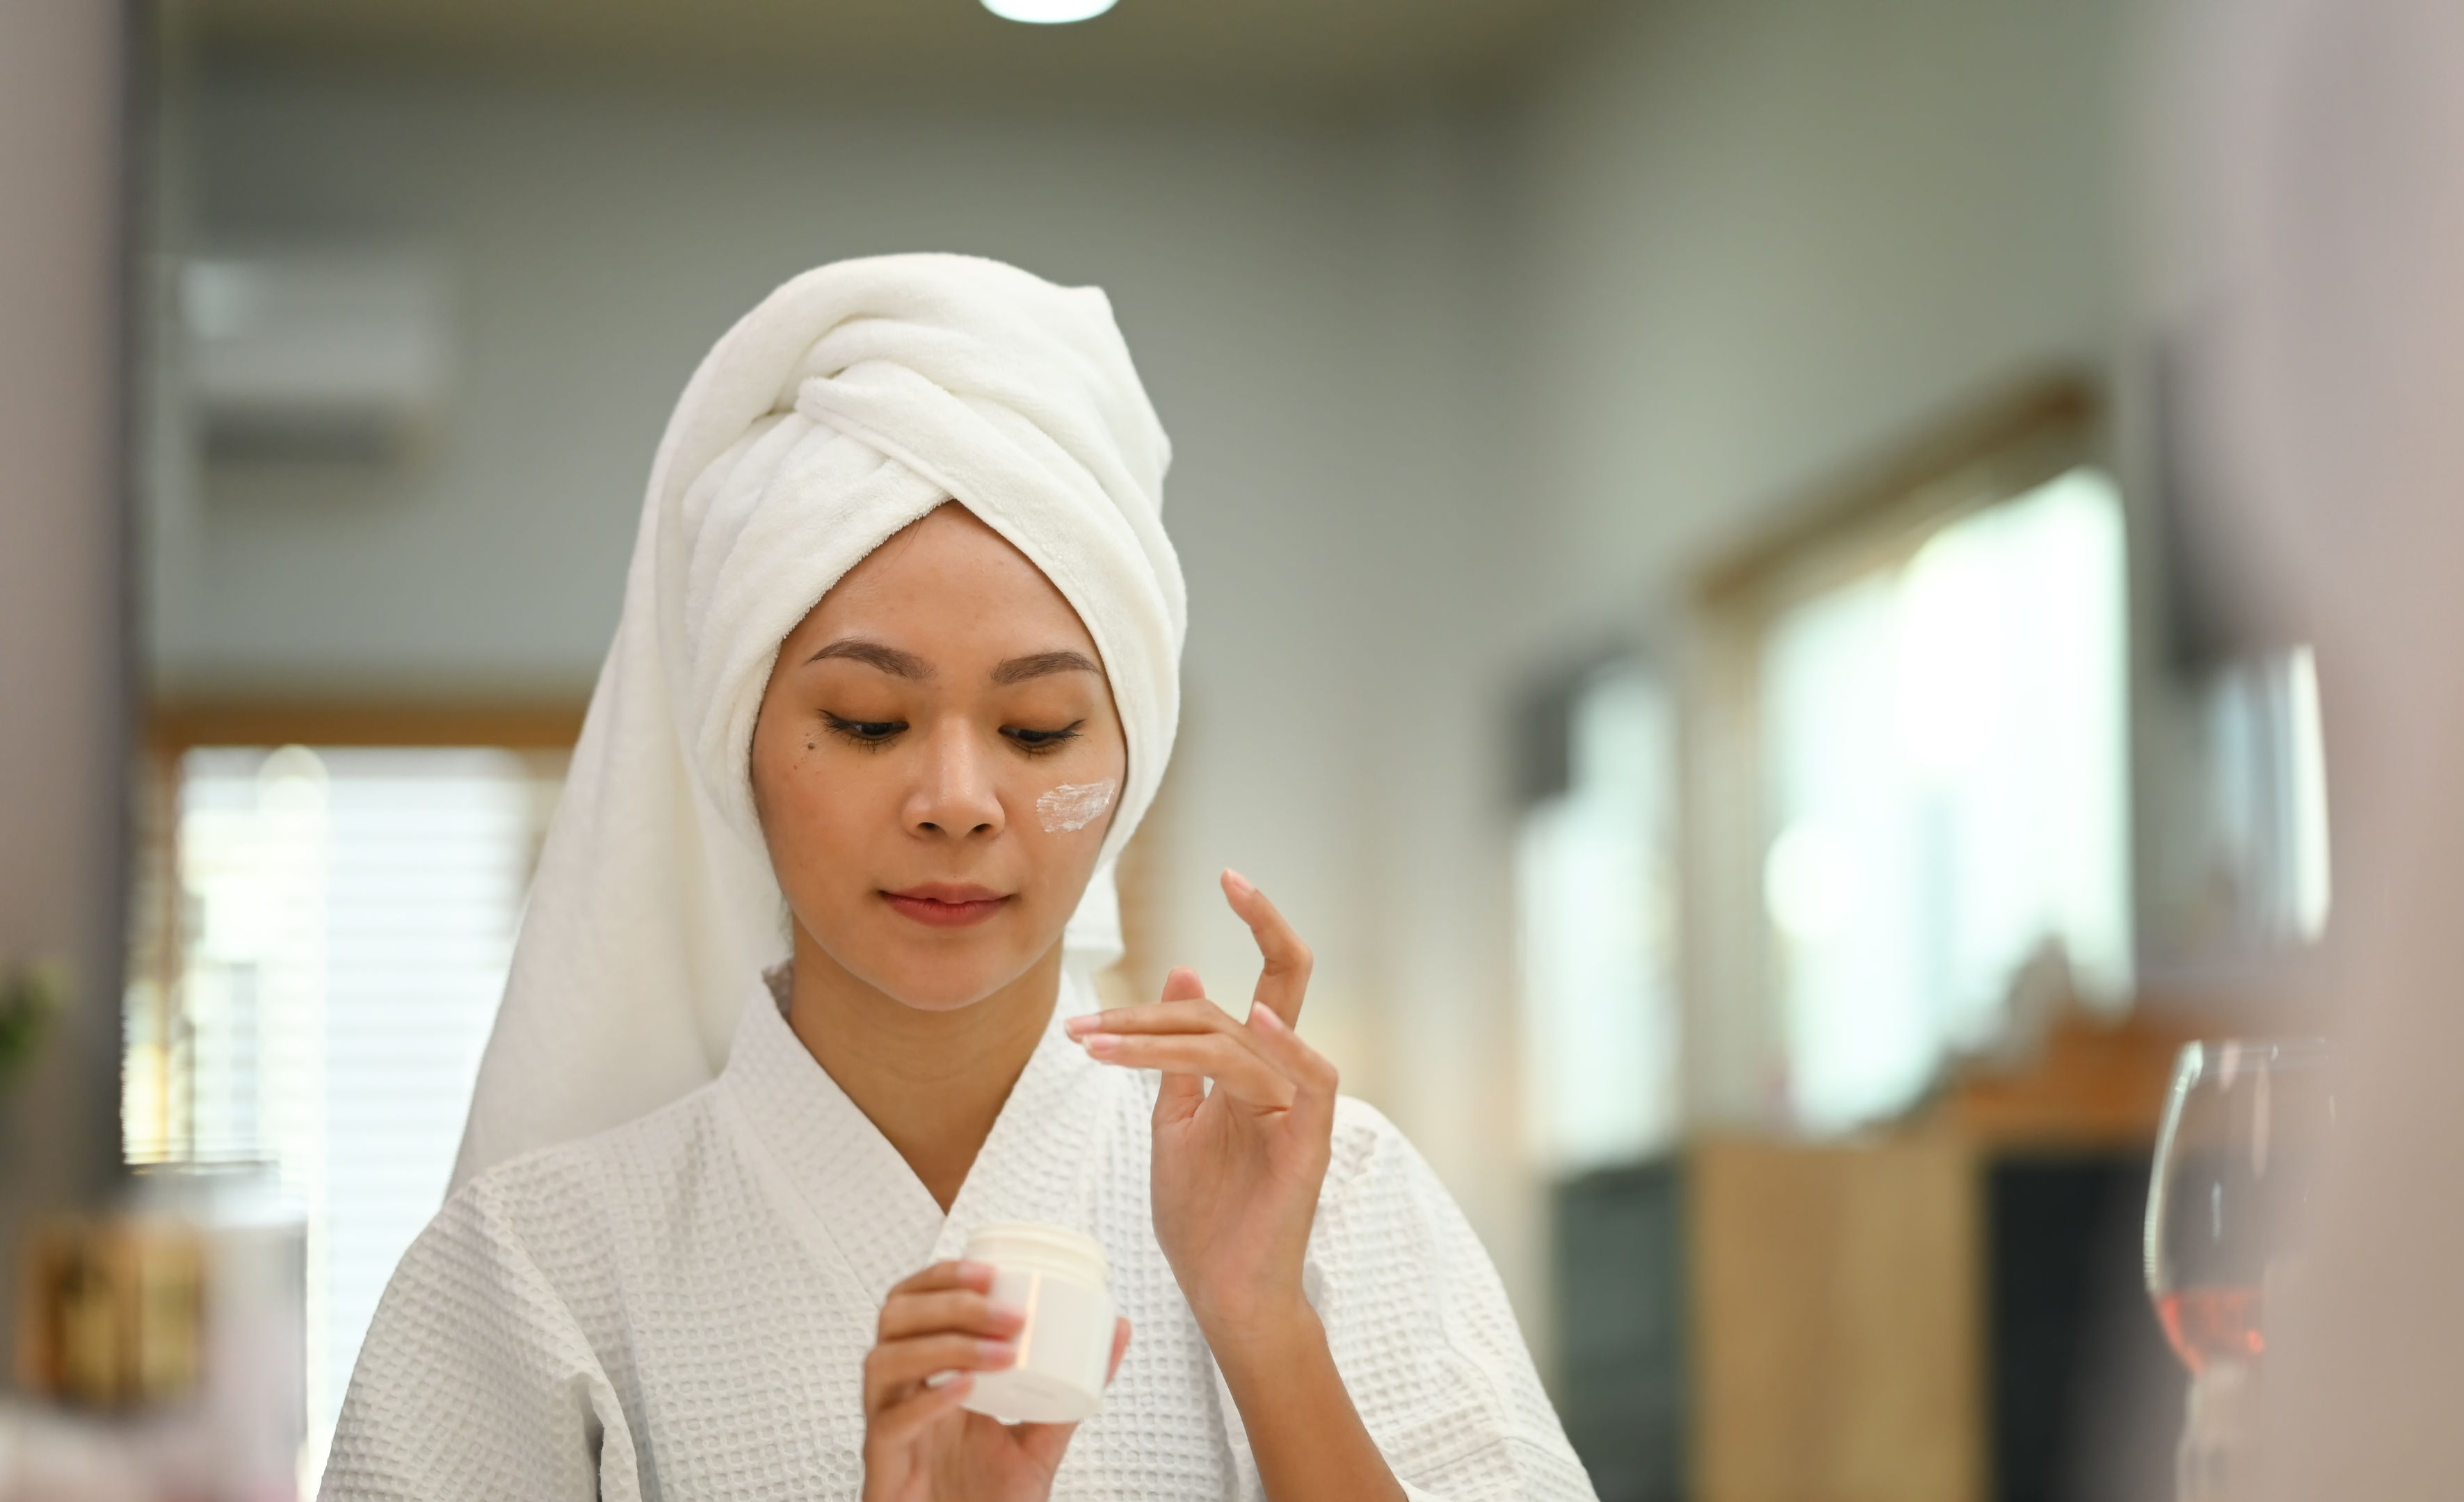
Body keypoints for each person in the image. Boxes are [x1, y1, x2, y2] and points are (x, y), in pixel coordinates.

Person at [321, 256, 1591, 1501]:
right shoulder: (537, 1268)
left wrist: (1266, 1328)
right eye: (870, 721)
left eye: (1039, 733)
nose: (957, 804)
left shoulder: (1329, 1200)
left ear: (1129, 766)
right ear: (738, 746)